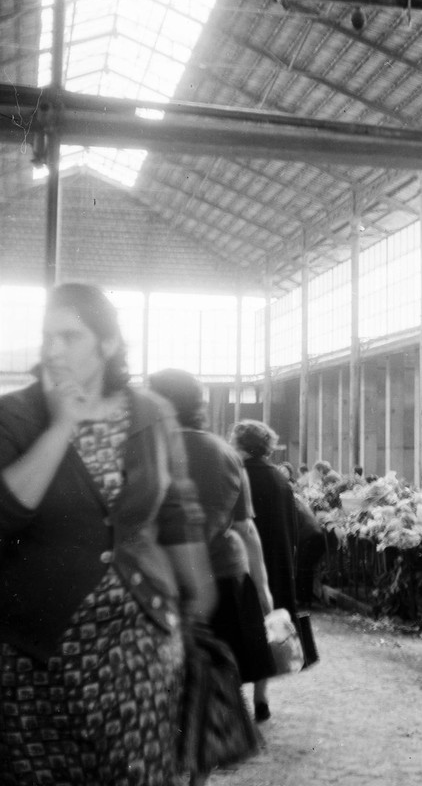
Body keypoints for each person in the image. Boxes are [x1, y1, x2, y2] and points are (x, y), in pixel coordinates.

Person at [0, 283, 216, 785]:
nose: (53, 350)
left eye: (69, 337)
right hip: (36, 652)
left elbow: (177, 511)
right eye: (47, 337)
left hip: (138, 643)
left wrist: (198, 592)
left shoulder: (150, 413)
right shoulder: (14, 416)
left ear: (109, 344)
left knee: (139, 773)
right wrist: (61, 426)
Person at [147, 368, 276, 689]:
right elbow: (246, 529)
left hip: (163, 579)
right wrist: (262, 587)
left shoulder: (148, 450)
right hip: (224, 574)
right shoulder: (226, 453)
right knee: (222, 676)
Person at [228, 419, 299, 723]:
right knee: (267, 630)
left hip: (244, 564)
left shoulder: (236, 474)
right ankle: (261, 698)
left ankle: (235, 699)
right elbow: (294, 526)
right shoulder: (280, 478)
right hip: (277, 564)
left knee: (237, 632)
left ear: (239, 443)